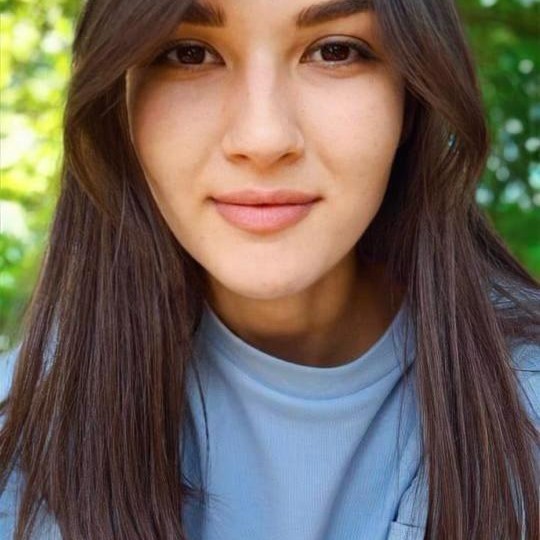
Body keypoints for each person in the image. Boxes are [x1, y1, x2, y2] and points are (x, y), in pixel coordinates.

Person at [1, 0, 539, 538]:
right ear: (117, 101)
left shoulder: (527, 399)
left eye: (335, 51)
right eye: (189, 53)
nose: (263, 140)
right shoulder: (17, 445)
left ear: (412, 93)